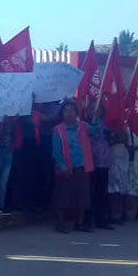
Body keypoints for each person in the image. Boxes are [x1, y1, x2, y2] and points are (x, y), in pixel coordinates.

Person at [51, 100, 94, 233]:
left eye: (71, 110)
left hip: (82, 166)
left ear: (76, 112)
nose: (69, 113)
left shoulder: (84, 127)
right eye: (65, 110)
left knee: (82, 196)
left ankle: (79, 223)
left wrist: (95, 116)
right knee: (63, 196)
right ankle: (60, 222)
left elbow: (98, 133)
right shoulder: (58, 130)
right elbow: (56, 152)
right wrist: (63, 167)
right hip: (65, 169)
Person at [87, 107, 114, 229]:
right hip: (89, 160)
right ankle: (88, 219)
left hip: (103, 161)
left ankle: (101, 219)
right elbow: (92, 132)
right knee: (89, 190)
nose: (95, 110)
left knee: (101, 190)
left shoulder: (106, 124)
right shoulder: (83, 123)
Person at [107, 126, 130, 224]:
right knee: (113, 189)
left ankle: (121, 213)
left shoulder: (126, 128)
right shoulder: (107, 129)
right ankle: (112, 214)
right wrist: (114, 137)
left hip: (123, 159)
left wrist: (122, 135)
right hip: (112, 159)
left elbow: (127, 142)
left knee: (122, 188)